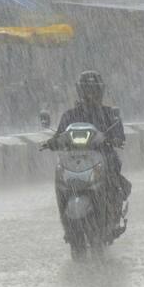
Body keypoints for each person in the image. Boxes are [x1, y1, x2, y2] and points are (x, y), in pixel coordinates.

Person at [48, 70, 131, 242]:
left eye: (93, 90)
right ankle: (67, 222)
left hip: (102, 157)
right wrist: (52, 142)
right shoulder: (69, 115)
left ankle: (112, 212)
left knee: (113, 176)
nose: (90, 94)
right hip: (74, 161)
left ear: (100, 91)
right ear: (80, 91)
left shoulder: (109, 114)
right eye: (86, 90)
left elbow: (119, 135)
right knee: (61, 182)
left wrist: (114, 138)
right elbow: (59, 135)